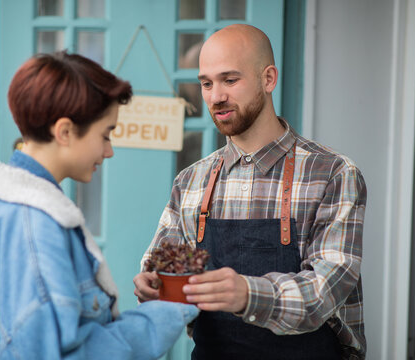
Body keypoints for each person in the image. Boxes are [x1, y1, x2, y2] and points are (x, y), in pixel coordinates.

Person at [0, 51, 199, 359]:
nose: (109, 151)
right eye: (105, 135)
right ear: (64, 132)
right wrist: (169, 310)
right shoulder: (35, 225)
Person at [134, 24, 367, 360]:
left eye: (230, 80)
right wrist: (150, 286)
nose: (216, 96)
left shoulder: (332, 174)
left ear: (268, 79)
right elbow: (161, 269)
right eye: (206, 83)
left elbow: (326, 291)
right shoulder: (190, 181)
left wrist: (246, 293)